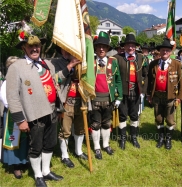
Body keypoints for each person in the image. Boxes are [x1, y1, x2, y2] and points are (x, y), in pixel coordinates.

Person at [6, 32, 63, 187]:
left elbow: (55, 84)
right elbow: (12, 96)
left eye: (37, 45)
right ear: (24, 47)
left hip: (51, 110)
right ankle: (38, 176)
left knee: (50, 143)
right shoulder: (16, 67)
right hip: (34, 114)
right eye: (31, 46)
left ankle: (46, 171)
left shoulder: (47, 64)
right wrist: (20, 120)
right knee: (36, 147)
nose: (35, 48)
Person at [51, 47, 88, 168]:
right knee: (65, 131)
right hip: (66, 102)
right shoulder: (56, 63)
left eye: (69, 49)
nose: (67, 52)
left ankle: (79, 151)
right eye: (64, 49)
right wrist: (70, 65)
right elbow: (56, 79)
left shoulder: (83, 61)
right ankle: (65, 156)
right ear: (61, 50)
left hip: (81, 101)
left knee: (80, 128)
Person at [90, 31, 123, 159]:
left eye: (104, 47)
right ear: (96, 49)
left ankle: (105, 144)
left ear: (108, 49)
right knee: (95, 124)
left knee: (106, 123)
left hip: (109, 98)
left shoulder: (113, 62)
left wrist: (119, 97)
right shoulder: (90, 62)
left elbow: (118, 80)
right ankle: (97, 147)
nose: (101, 49)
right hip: (95, 99)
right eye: (99, 47)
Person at [147, 38, 182, 149]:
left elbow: (181, 81)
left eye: (167, 50)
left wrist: (180, 97)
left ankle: (168, 139)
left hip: (170, 97)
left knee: (169, 119)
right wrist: (149, 95)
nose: (165, 52)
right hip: (157, 96)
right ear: (159, 51)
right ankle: (160, 138)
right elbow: (150, 80)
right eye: (163, 50)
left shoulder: (177, 64)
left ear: (170, 52)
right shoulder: (154, 64)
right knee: (158, 119)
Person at [114, 33, 148, 150]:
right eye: (128, 45)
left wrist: (143, 91)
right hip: (122, 92)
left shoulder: (141, 58)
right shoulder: (117, 58)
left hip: (136, 90)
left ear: (135, 47)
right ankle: (122, 138)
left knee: (134, 115)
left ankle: (133, 138)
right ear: (124, 46)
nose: (130, 47)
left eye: (132, 45)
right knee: (122, 115)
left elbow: (146, 75)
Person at [0, 56, 29, 179]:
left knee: (24, 139)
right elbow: (5, 100)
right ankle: (16, 165)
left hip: (25, 112)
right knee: (13, 139)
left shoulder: (23, 79)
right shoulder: (7, 82)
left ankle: (24, 160)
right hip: (13, 114)